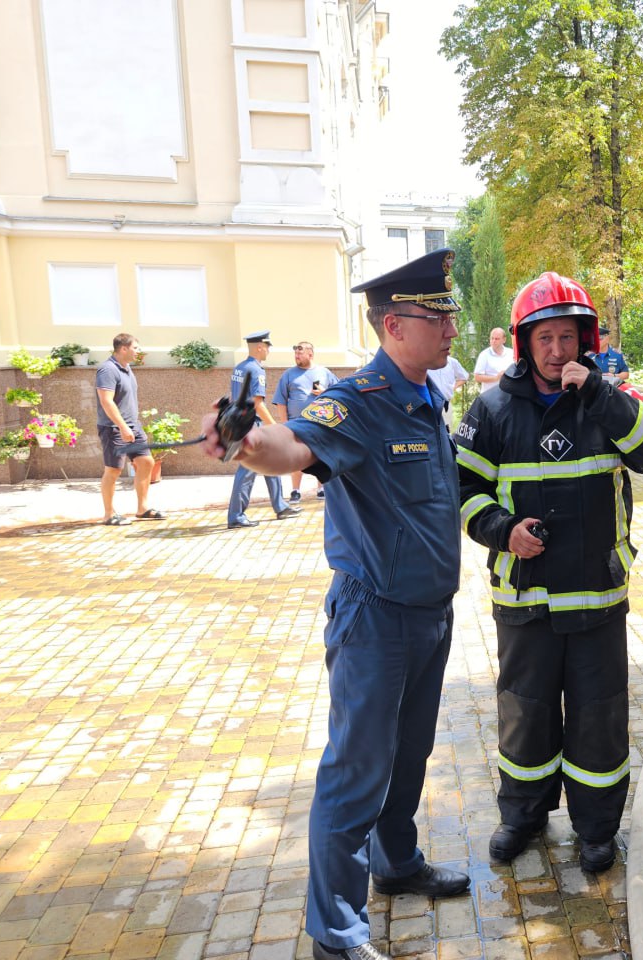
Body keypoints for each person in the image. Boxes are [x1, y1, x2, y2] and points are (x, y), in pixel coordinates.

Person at [198, 249, 469, 960]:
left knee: (409, 754)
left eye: (450, 315)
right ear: (393, 326)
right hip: (376, 616)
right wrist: (245, 438)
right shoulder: (356, 403)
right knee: (356, 772)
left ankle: (396, 862)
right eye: (437, 317)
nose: (451, 328)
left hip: (430, 613)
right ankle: (337, 934)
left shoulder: (426, 396)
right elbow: (290, 446)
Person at [455, 272, 643, 873]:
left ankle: (596, 828)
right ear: (524, 343)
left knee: (598, 716)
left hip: (597, 597)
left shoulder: (609, 401)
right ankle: (523, 817)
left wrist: (601, 395)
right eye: (544, 339)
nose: (557, 351)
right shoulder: (493, 409)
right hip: (525, 598)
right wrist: (503, 530)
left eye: (567, 338)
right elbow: (463, 487)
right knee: (524, 713)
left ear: (585, 340)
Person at [226, 331, 301, 528]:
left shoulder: (240, 367)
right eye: (267, 347)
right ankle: (236, 516)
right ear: (260, 347)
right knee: (247, 470)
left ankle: (280, 506)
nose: (268, 351)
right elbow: (258, 403)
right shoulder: (256, 370)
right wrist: (275, 427)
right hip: (251, 426)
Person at [95, 333, 163, 525]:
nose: (138, 351)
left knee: (146, 462)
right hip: (113, 428)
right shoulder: (108, 370)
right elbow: (106, 402)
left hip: (133, 425)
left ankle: (142, 509)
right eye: (135, 348)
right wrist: (122, 427)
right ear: (123, 348)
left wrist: (131, 426)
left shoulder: (126, 368)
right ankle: (109, 514)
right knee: (113, 470)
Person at [274, 341, 336, 501]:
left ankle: (321, 488)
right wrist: (285, 425)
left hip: (320, 423)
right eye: (295, 354)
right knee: (297, 457)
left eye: (300, 354)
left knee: (321, 455)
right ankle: (295, 490)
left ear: (310, 354)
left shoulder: (324, 372)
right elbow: (281, 401)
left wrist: (324, 392)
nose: (297, 356)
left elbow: (338, 393)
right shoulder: (288, 374)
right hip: (296, 424)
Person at [429, 355, 469, 427]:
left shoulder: (452, 362)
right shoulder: (426, 361)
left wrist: (453, 387)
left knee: (446, 430)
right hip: (429, 404)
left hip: (445, 404)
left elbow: (464, 377)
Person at [472, 326, 515, 393]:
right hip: (490, 396)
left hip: (508, 394)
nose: (494, 341)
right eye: (492, 338)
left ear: (504, 340)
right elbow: (477, 377)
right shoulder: (484, 355)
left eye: (497, 339)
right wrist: (496, 378)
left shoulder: (511, 353)